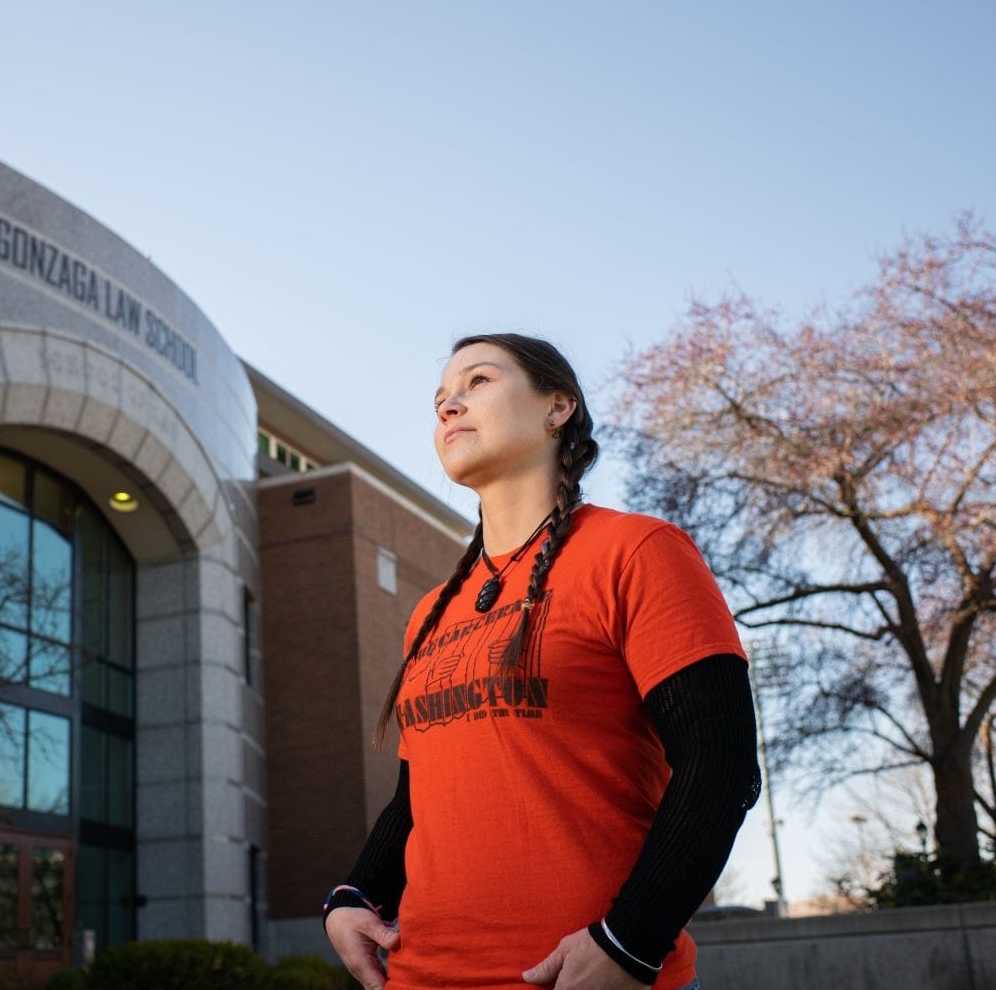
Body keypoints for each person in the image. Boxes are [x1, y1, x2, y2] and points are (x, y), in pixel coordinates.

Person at [323, 334, 762, 990]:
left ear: (558, 408)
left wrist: (629, 943)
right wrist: (355, 895)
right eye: (440, 397)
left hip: (585, 976)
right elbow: (418, 799)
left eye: (478, 382)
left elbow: (721, 765)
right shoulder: (431, 613)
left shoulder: (638, 552)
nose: (449, 406)